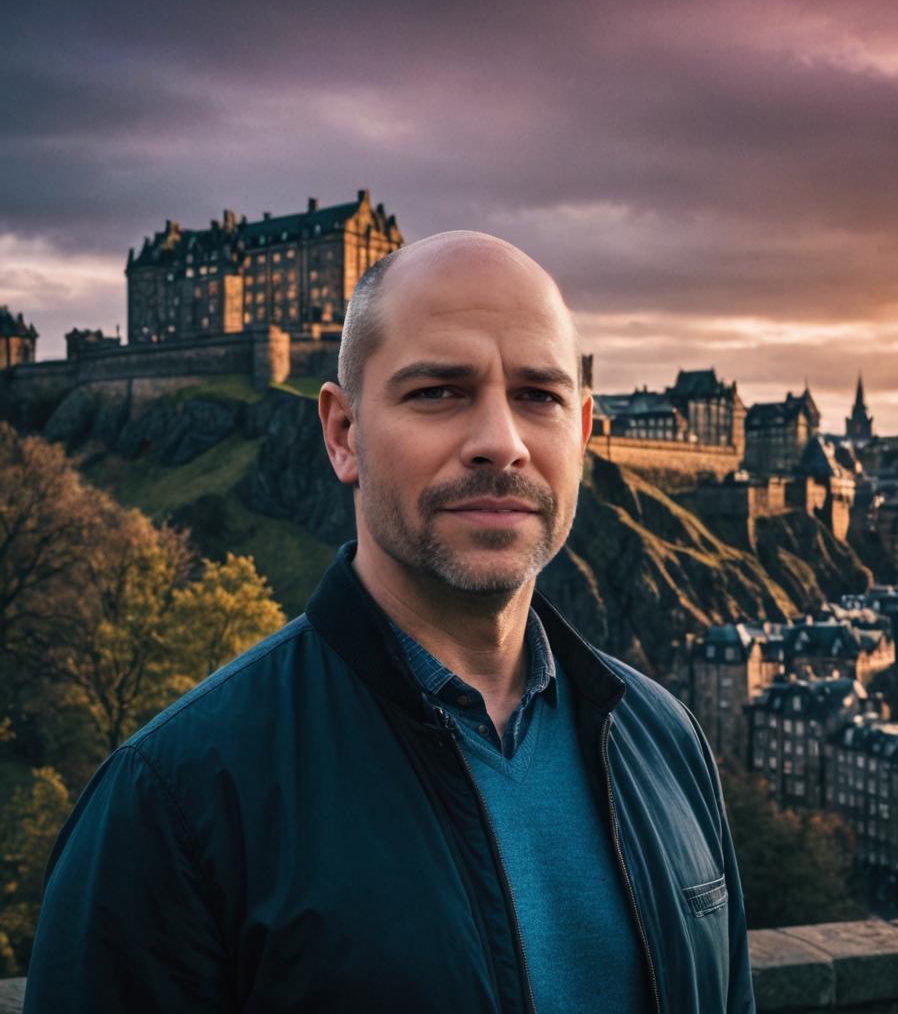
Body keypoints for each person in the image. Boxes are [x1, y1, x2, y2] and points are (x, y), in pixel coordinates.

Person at [25, 231, 755, 1013]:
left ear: (580, 435)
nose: (499, 443)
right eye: (437, 391)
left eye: (537, 396)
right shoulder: (171, 801)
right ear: (343, 435)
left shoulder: (664, 738)